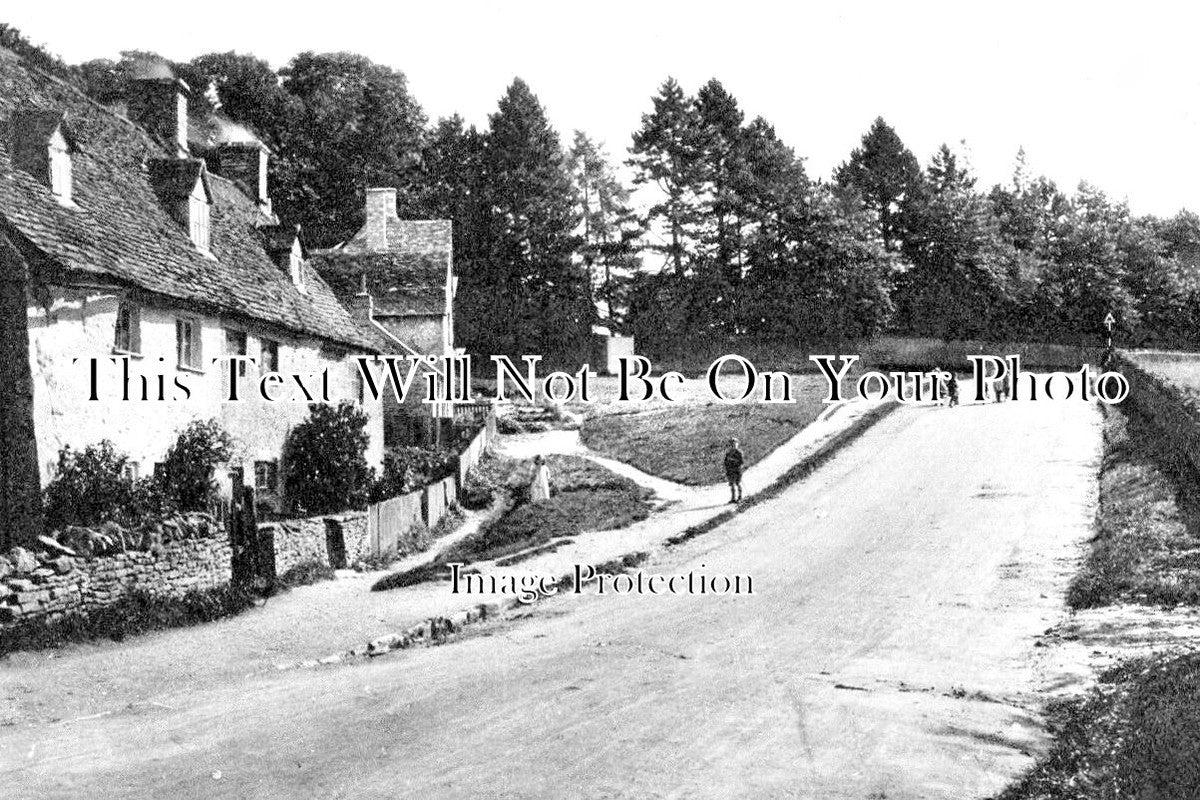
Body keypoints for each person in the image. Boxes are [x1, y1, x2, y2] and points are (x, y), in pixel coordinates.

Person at [723, 438, 744, 504]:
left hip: (737, 470)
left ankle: (740, 497)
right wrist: (727, 468)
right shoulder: (728, 453)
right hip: (730, 471)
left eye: (735, 444)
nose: (733, 446)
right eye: (731, 445)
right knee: (732, 484)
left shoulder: (739, 453)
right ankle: (733, 498)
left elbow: (741, 462)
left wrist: (734, 461)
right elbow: (725, 462)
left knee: (738, 483)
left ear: (737, 444)